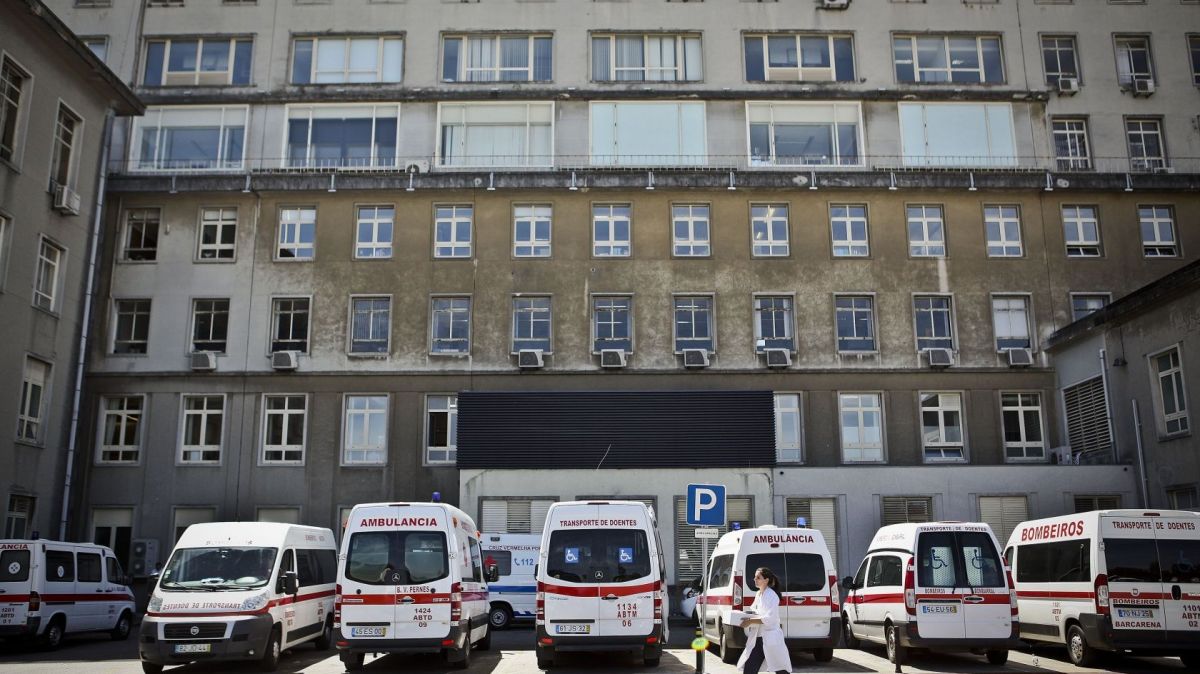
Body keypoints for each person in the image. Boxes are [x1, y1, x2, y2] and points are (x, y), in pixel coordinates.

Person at [737, 567, 792, 674]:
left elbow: (770, 618)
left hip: (770, 637)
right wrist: (743, 617)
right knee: (749, 669)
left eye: (758, 577)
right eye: (755, 577)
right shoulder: (758, 594)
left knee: (780, 669)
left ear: (766, 580)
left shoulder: (772, 596)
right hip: (758, 638)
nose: (754, 579)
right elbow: (754, 611)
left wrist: (750, 621)